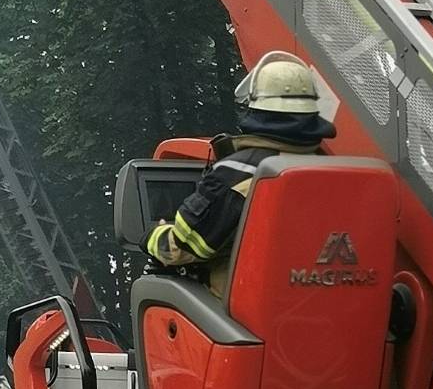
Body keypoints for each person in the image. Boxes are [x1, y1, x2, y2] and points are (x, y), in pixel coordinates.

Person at [145, 50, 338, 297]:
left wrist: (153, 236)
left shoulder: (237, 174)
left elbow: (181, 248)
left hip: (247, 314)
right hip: (324, 307)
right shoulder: (338, 172)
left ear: (257, 108)